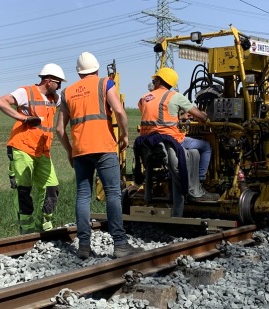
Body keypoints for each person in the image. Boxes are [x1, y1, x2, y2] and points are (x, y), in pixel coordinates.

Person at [55, 52, 143, 260]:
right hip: (104, 147)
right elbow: (120, 112)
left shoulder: (67, 92)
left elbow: (59, 129)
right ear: (96, 69)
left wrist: (70, 151)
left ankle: (84, 246)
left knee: (82, 196)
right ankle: (120, 244)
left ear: (79, 72)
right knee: (113, 193)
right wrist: (124, 135)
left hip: (80, 151)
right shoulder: (105, 84)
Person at [0, 63, 65, 234]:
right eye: (58, 82)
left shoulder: (54, 98)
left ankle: (45, 226)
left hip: (43, 151)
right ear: (48, 81)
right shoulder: (26, 92)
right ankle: (26, 232)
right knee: (24, 189)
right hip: (22, 148)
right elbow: (0, 102)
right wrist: (23, 118)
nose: (60, 86)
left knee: (51, 187)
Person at [137, 67, 218, 202]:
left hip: (148, 142)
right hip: (170, 140)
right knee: (206, 146)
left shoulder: (144, 98)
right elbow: (202, 118)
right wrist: (206, 116)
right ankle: (200, 184)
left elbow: (157, 116)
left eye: (154, 79)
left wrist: (179, 118)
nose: (153, 81)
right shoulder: (175, 96)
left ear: (159, 81)